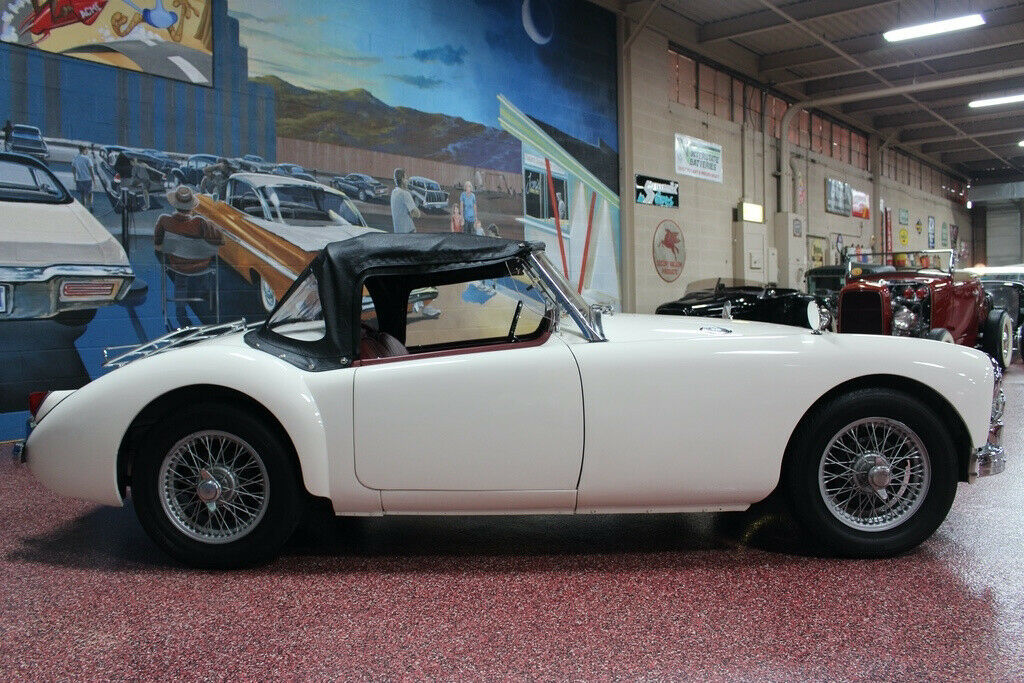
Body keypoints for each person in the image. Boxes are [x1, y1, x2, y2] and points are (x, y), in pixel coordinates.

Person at [154, 186, 223, 329]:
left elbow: (157, 244)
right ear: (191, 207)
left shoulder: (164, 220)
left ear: (175, 204)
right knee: (208, 262)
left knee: (180, 275)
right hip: (201, 266)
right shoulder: (199, 222)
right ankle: (204, 292)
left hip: (177, 266)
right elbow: (220, 241)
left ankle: (180, 312)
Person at [390, 168, 420, 233]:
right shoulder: (405, 194)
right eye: (406, 178)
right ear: (403, 179)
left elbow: (402, 210)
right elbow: (417, 214)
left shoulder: (394, 192)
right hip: (408, 231)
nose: (407, 180)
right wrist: (417, 203)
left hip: (398, 232)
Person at [70, 145, 96, 211]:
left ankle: (84, 207)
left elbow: (73, 168)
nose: (87, 151)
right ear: (84, 150)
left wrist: (75, 177)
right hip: (88, 179)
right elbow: (91, 169)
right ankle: (91, 205)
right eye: (87, 150)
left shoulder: (75, 158)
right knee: (90, 193)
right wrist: (94, 180)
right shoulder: (87, 159)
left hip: (79, 179)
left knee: (82, 194)